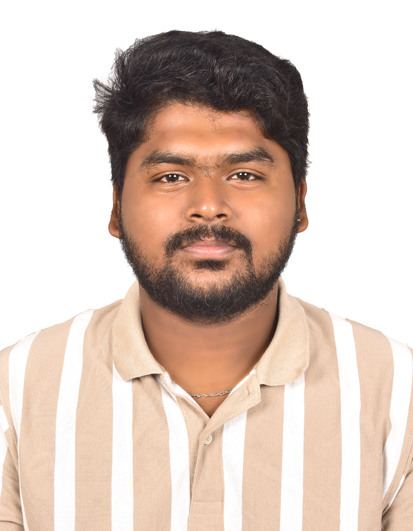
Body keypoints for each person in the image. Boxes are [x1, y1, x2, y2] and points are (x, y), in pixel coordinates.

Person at [0, 30, 411, 531]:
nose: (209, 206)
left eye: (245, 174)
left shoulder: (397, 393)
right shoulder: (16, 391)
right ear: (116, 208)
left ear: (300, 203)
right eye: (171, 176)